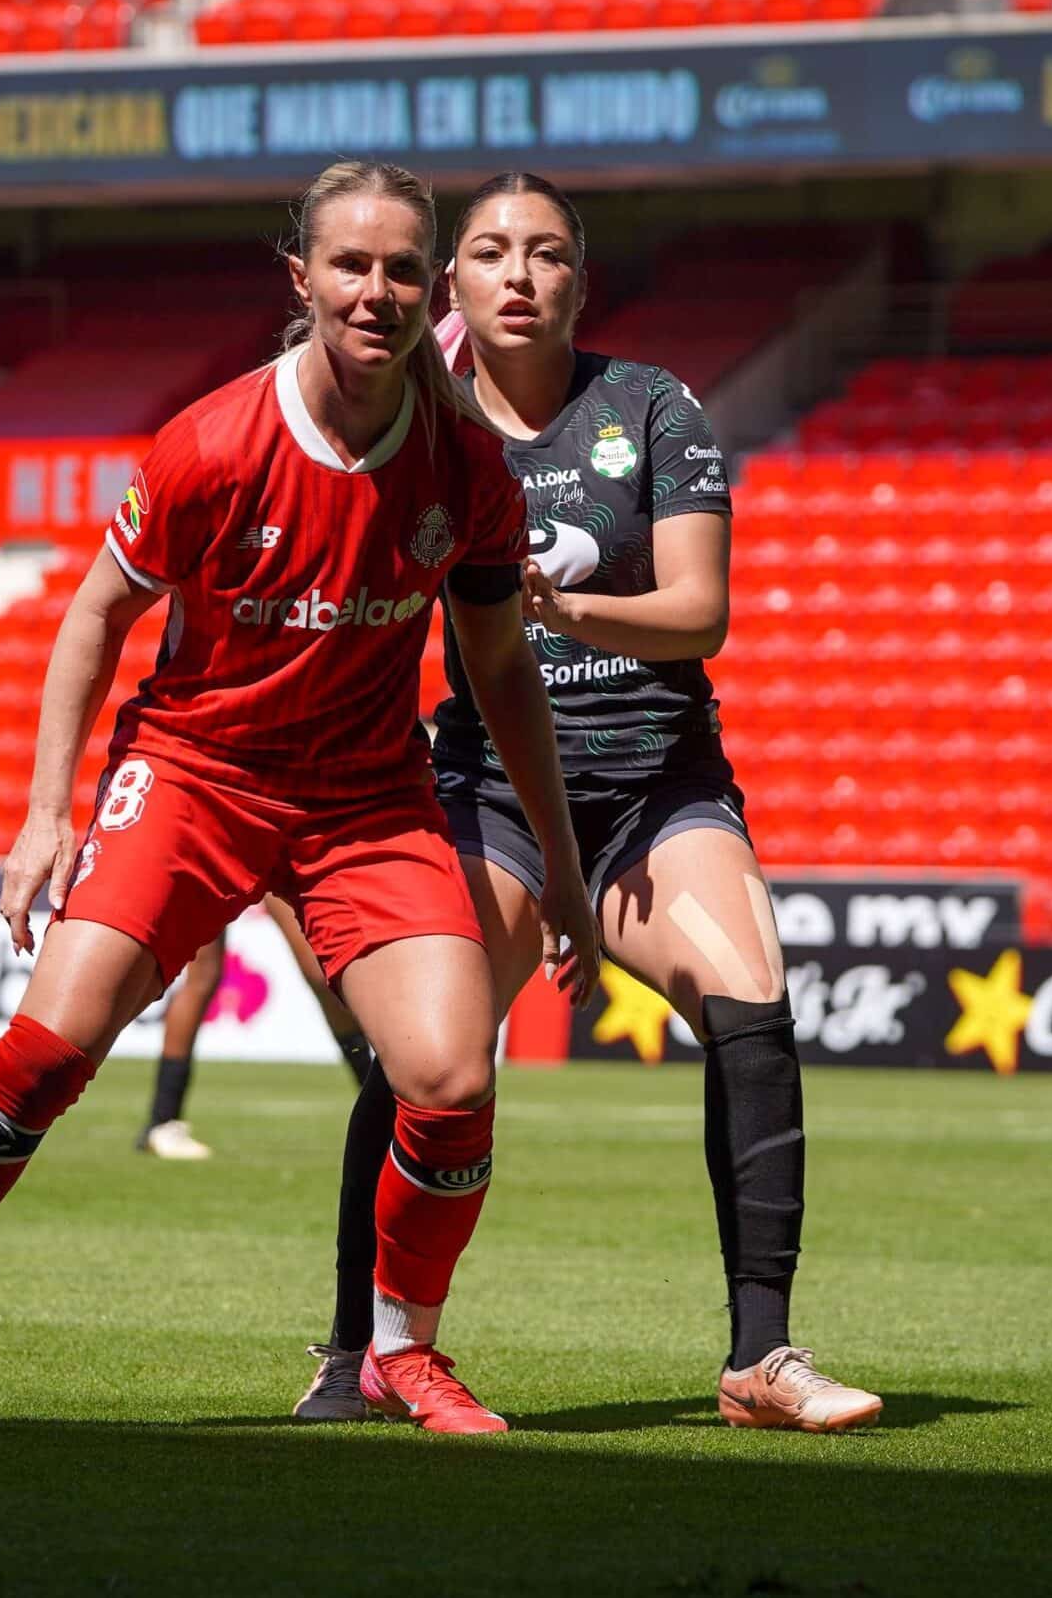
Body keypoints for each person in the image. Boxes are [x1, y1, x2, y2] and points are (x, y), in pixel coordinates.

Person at [0, 161, 600, 1437]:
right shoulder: (211, 444)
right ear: (300, 280)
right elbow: (94, 617)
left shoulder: (462, 465)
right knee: (46, 1051)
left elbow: (502, 668)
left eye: (404, 269)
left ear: (431, 288)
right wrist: (46, 813)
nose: (379, 291)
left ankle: (400, 1355)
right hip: (196, 774)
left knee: (451, 1073)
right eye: (351, 265)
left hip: (366, 798)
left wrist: (560, 867)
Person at [295, 173, 882, 1434]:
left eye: (546, 254)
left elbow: (698, 614)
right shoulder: (418, 426)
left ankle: (761, 1358)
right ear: (450, 282)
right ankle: (360, 1350)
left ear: (579, 280)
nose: (518, 274)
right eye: (491, 252)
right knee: (426, 1056)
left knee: (754, 1003)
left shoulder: (653, 405)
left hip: (654, 791)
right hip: (491, 795)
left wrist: (547, 605)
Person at [138, 896, 374, 1161]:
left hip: (275, 854)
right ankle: (162, 1121)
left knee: (320, 971)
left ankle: (379, 1109)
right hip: (219, 855)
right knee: (203, 977)